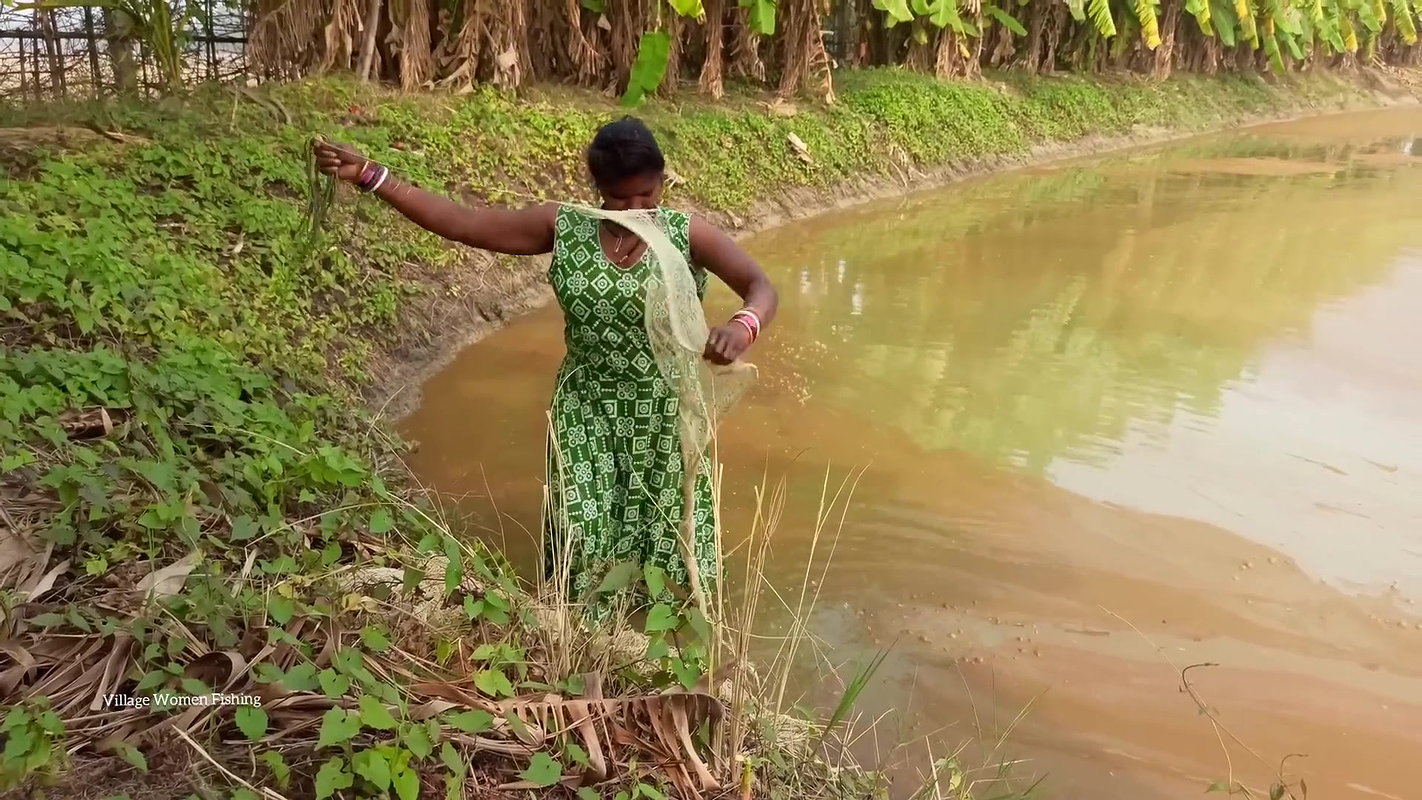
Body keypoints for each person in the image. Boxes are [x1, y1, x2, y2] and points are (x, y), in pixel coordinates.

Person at [314, 117, 778, 608]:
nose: (635, 209)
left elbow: (761, 287)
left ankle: (662, 633)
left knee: (664, 534)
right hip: (586, 404)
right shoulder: (566, 226)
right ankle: (580, 630)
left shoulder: (686, 233)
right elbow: (465, 224)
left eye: (647, 195)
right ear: (597, 188)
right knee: (580, 524)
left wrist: (741, 326)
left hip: (663, 408)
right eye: (620, 199)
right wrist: (372, 176)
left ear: (663, 181)